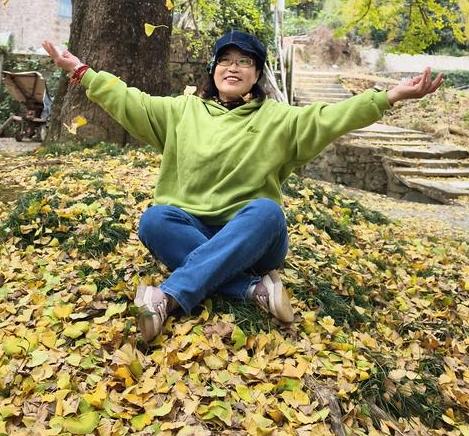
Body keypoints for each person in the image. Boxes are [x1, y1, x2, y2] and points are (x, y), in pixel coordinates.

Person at [42, 31, 443, 342]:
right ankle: (253, 290)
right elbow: (129, 100)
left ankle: (166, 297)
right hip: (193, 230)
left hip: (253, 240)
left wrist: (390, 96)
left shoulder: (278, 118)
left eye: (245, 62)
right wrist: (81, 71)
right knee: (154, 220)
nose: (233, 68)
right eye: (225, 61)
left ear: (257, 74)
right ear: (213, 70)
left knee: (267, 212)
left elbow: (331, 117)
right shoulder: (183, 111)